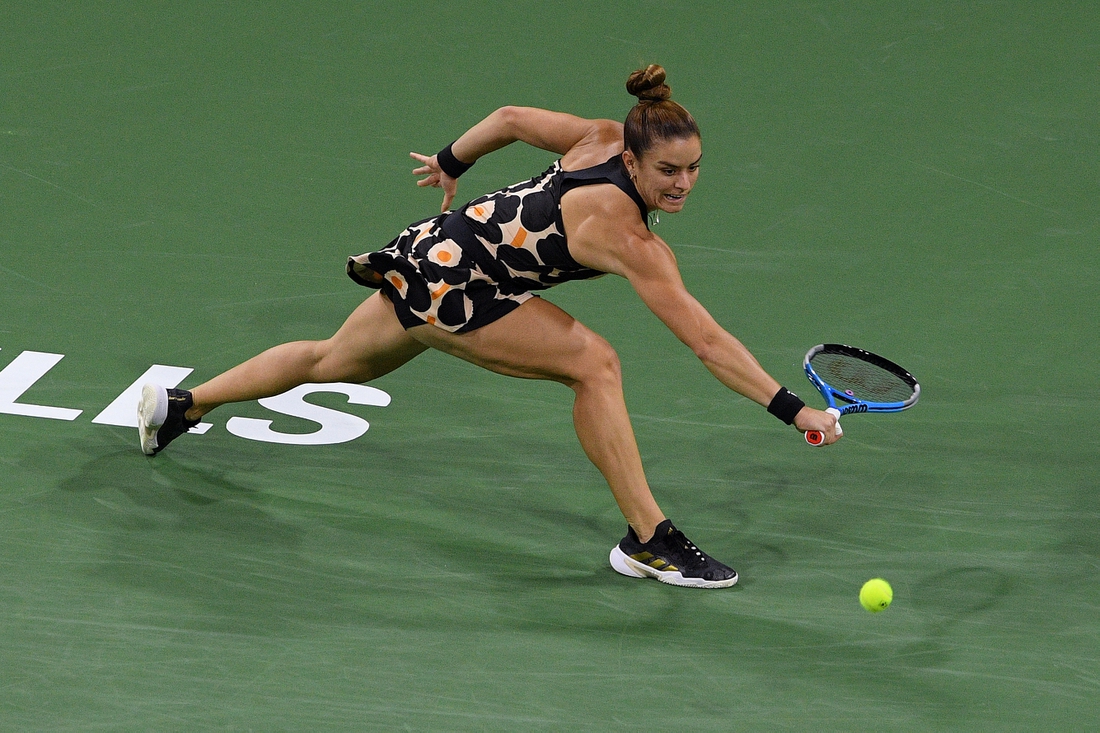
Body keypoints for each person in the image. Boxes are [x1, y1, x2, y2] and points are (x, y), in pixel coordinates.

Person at [137, 64, 840, 589]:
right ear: (632, 160)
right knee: (594, 364)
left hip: (433, 248)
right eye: (668, 170)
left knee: (332, 362)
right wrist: (794, 409)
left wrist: (450, 160)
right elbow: (707, 341)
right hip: (462, 289)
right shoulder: (627, 238)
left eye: (692, 169)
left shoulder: (599, 136)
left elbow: (507, 117)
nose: (682, 184)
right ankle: (648, 538)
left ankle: (181, 404)